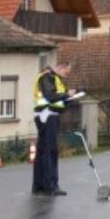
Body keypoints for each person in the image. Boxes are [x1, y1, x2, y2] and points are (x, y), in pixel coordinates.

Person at [32, 61, 80, 196]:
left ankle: (40, 185)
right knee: (50, 151)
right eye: (66, 72)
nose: (66, 75)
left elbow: (57, 99)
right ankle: (50, 186)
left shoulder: (53, 78)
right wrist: (67, 95)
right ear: (60, 67)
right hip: (47, 116)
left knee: (43, 151)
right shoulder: (47, 77)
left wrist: (71, 97)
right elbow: (50, 96)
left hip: (47, 115)